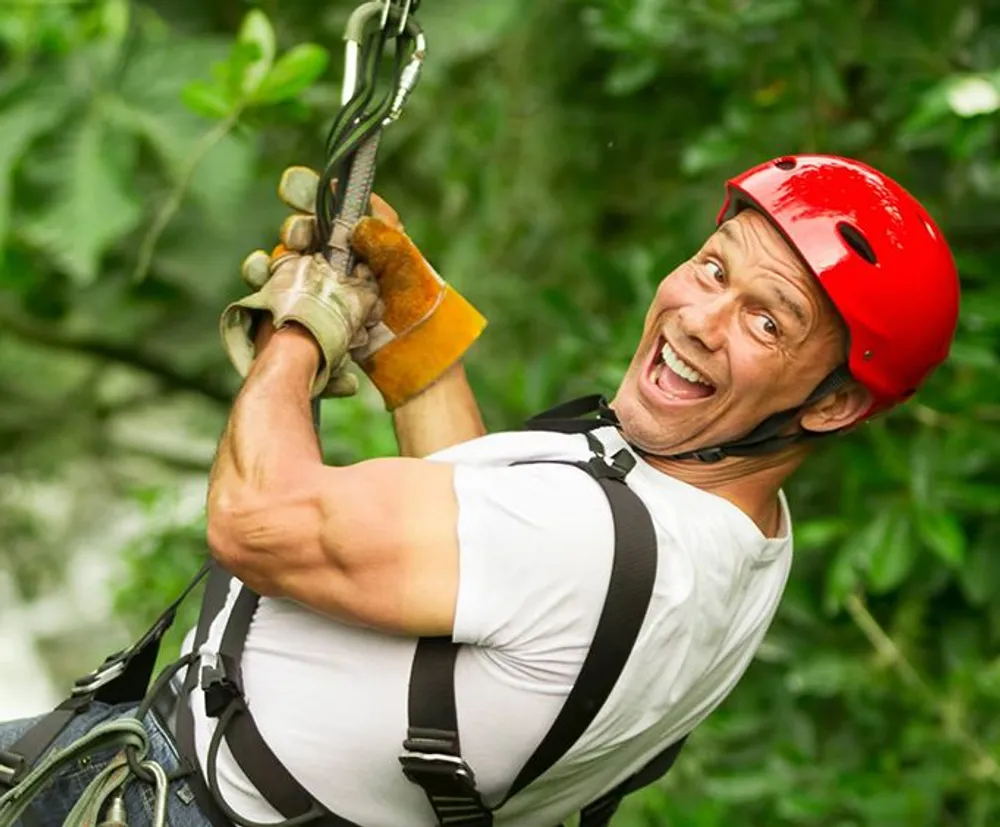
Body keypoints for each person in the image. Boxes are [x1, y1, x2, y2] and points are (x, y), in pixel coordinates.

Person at [0, 154, 961, 827]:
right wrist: (407, 333)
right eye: (713, 268)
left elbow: (257, 521)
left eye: (766, 321)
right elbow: (483, 582)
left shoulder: (595, 541)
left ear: (833, 402)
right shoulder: (742, 528)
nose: (700, 318)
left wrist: (296, 327)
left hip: (185, 803)